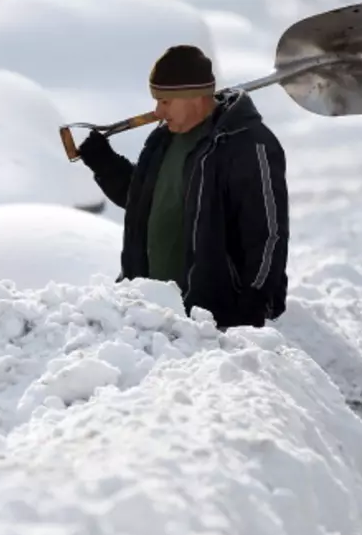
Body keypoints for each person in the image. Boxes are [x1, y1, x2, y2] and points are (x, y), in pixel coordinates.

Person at [77, 45, 289, 329]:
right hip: (149, 316)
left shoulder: (247, 144)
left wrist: (254, 300)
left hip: (213, 320)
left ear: (194, 97)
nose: (157, 112)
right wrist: (105, 164)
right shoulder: (162, 141)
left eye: (165, 101)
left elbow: (268, 233)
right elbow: (146, 202)